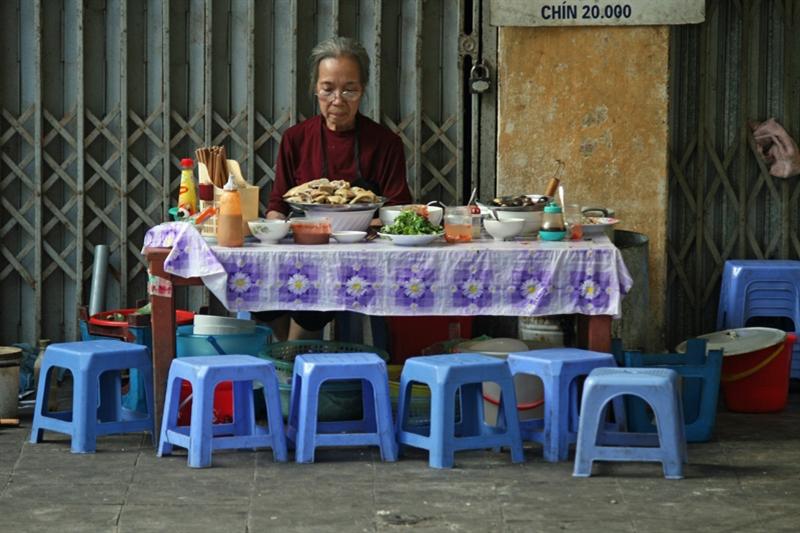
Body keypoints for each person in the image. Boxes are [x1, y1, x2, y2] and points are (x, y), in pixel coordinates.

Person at [256, 36, 412, 342]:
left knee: (312, 302)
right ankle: (293, 358)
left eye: (349, 89)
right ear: (315, 88)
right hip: (302, 252)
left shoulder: (384, 144)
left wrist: (358, 223)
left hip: (357, 262)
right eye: (328, 88)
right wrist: (273, 229)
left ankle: (293, 364)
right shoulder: (295, 139)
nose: (338, 99)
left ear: (363, 90)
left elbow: (399, 210)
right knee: (263, 294)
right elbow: (278, 203)